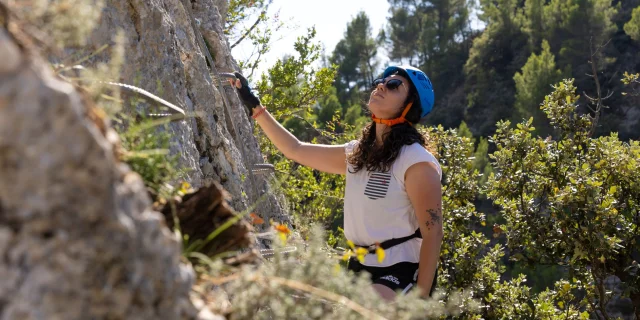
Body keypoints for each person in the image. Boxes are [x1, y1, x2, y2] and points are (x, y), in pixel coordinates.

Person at [230, 65, 443, 301]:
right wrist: (255, 106)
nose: (381, 85)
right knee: (296, 300)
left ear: (409, 106)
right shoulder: (358, 153)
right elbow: (295, 149)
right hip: (358, 265)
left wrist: (421, 302)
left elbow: (433, 234)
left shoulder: (417, 162)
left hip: (401, 269)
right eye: (381, 81)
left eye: (394, 85)